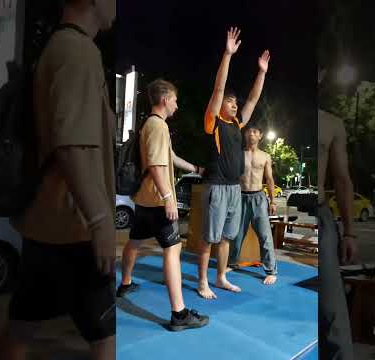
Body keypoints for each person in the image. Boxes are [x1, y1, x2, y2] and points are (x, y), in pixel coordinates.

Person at [0, 1, 116, 359]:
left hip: (47, 224)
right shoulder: (77, 51)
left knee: (20, 330)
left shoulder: (57, 46)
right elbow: (72, 143)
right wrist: (100, 220)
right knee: (105, 339)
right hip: (75, 228)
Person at [117, 79, 209, 331]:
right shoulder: (158, 127)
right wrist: (169, 198)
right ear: (166, 99)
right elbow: (157, 166)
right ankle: (179, 314)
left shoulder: (150, 124)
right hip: (158, 201)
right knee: (173, 250)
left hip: (144, 200)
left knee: (134, 243)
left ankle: (125, 283)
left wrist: (196, 169)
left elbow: (170, 158)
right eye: (176, 101)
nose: (177, 106)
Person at [198, 27, 270, 299]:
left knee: (227, 237)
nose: (234, 105)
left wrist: (261, 72)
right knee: (209, 238)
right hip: (216, 186)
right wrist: (228, 54)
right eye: (230, 102)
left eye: (234, 102)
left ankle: (220, 277)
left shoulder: (239, 124)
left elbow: (253, 99)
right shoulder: (213, 123)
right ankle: (203, 281)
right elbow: (218, 88)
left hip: (234, 189)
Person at [318, 68, 358, 359]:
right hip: (297, 211)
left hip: (321, 218)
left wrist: (350, 231)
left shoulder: (332, 124)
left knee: (331, 309)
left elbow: (342, 180)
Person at [227, 123, 278, 285]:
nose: (251, 134)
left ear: (260, 136)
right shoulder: (239, 154)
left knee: (265, 235)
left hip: (258, 198)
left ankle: (271, 270)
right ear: (244, 134)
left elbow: (269, 179)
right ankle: (232, 263)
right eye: (248, 131)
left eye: (255, 131)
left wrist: (272, 201)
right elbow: (231, 176)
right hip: (240, 197)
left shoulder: (265, 156)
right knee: (236, 233)